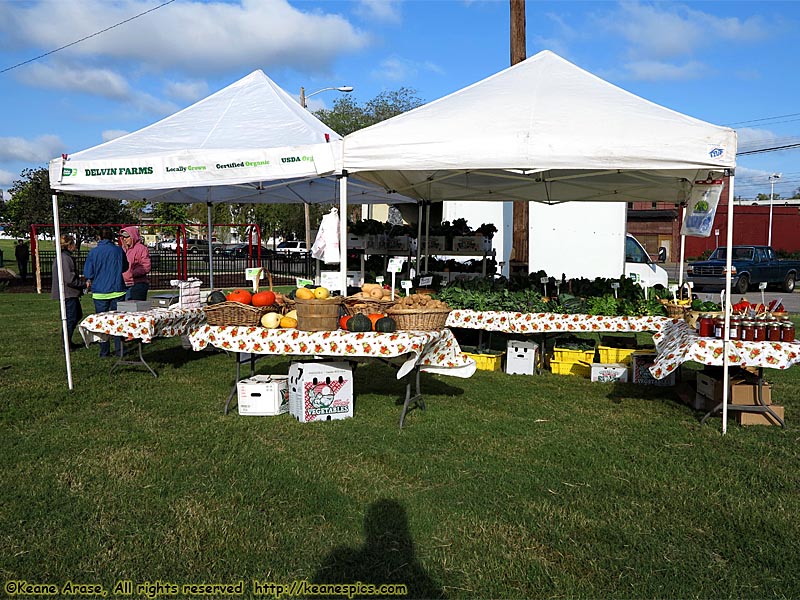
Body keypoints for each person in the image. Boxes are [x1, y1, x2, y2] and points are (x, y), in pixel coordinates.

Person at [83, 228, 127, 357]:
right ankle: (120, 350)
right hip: (117, 290)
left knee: (102, 323)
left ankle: (104, 351)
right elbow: (125, 267)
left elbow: (88, 273)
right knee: (119, 321)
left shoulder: (93, 252)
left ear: (99, 237)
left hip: (100, 292)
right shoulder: (118, 251)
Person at [51, 234, 85, 350]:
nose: (75, 246)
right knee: (71, 318)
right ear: (68, 245)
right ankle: (66, 342)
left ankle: (67, 341)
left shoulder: (63, 257)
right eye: (73, 243)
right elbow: (69, 279)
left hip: (69, 292)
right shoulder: (65, 258)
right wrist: (83, 284)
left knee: (76, 315)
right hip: (68, 293)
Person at [120, 226, 152, 300]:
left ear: (133, 236)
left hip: (137, 284)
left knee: (135, 309)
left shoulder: (142, 249)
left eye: (127, 237)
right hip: (124, 284)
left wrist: (131, 273)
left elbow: (146, 266)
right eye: (123, 237)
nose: (124, 239)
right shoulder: (123, 249)